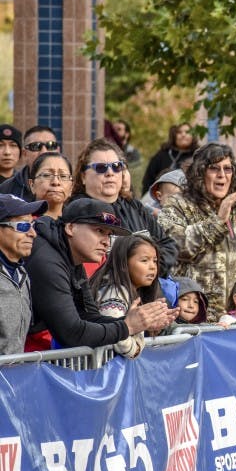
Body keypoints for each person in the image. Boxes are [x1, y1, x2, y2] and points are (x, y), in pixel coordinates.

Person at [26, 198, 175, 349]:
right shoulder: (48, 261)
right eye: (99, 231)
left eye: (109, 234)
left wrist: (139, 322)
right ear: (70, 228)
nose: (107, 242)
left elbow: (89, 314)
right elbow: (72, 333)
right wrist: (127, 327)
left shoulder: (69, 255)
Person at [158, 143, 236, 320]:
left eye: (227, 169)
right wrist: (217, 222)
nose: (222, 175)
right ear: (199, 173)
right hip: (199, 318)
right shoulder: (178, 205)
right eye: (214, 168)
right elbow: (174, 248)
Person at [70, 138, 179, 275]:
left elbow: (168, 246)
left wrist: (147, 272)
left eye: (116, 166)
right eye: (101, 168)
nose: (110, 173)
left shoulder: (134, 206)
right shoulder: (76, 211)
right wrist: (132, 272)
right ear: (83, 176)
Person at [89, 234, 166, 359]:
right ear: (124, 263)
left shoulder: (130, 292)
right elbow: (120, 341)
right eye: (144, 260)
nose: (152, 266)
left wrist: (149, 326)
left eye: (155, 261)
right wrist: (138, 346)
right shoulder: (115, 293)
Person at [0, 194, 48, 354]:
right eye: (23, 226)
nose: (33, 233)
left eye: (33, 225)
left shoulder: (22, 273)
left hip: (15, 376)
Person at [0, 125, 61, 199]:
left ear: (58, 151)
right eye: (35, 146)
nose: (43, 152)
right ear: (24, 153)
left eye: (50, 145)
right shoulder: (6, 189)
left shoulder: (69, 185)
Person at [141, 123, 199, 194]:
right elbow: (148, 180)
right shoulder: (162, 155)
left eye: (187, 132)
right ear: (174, 136)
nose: (183, 135)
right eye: (179, 132)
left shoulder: (198, 156)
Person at [27, 152, 73, 219]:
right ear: (32, 185)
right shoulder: (22, 223)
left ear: (71, 187)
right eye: (47, 175)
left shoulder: (79, 223)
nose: (56, 182)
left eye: (63, 176)